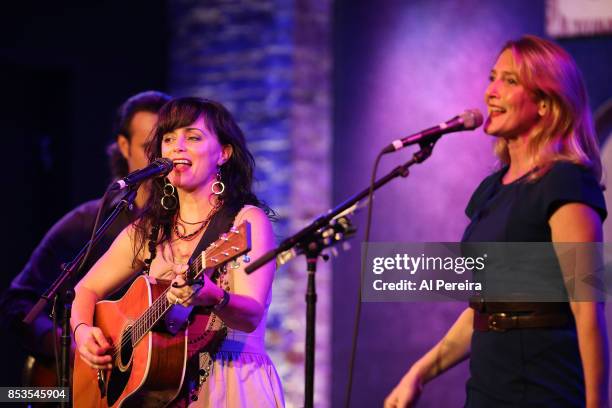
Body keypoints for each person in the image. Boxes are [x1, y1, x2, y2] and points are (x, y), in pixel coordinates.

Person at [385, 35, 609, 407]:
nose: (491, 92)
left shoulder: (564, 181)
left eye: (510, 81)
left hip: (544, 387)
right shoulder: (492, 189)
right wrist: (418, 373)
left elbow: (587, 308)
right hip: (489, 388)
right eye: (492, 77)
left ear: (544, 103)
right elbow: (485, 307)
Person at [71, 97, 285, 407]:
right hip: (159, 393)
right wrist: (81, 331)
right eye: (169, 139)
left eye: (193, 137)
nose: (177, 147)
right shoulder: (149, 230)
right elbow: (84, 289)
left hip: (230, 382)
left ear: (224, 153)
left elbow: (250, 314)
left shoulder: (245, 221)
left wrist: (215, 297)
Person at [0, 90, 171, 364]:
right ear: (124, 146)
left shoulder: (184, 227)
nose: (160, 157)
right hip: (81, 382)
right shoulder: (85, 223)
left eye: (167, 145)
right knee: (10, 397)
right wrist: (68, 348)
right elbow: (19, 303)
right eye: (147, 146)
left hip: (158, 380)